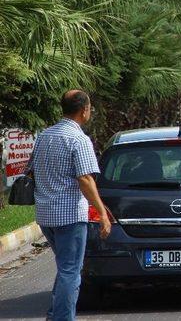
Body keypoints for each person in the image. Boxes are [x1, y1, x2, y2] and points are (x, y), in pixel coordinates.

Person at [26, 90, 111, 321]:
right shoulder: (78, 139)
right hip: (69, 216)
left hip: (45, 215)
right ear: (84, 110)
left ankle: (55, 315)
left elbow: (31, 171)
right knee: (71, 272)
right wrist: (102, 213)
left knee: (65, 267)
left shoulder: (45, 135)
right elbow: (85, 179)